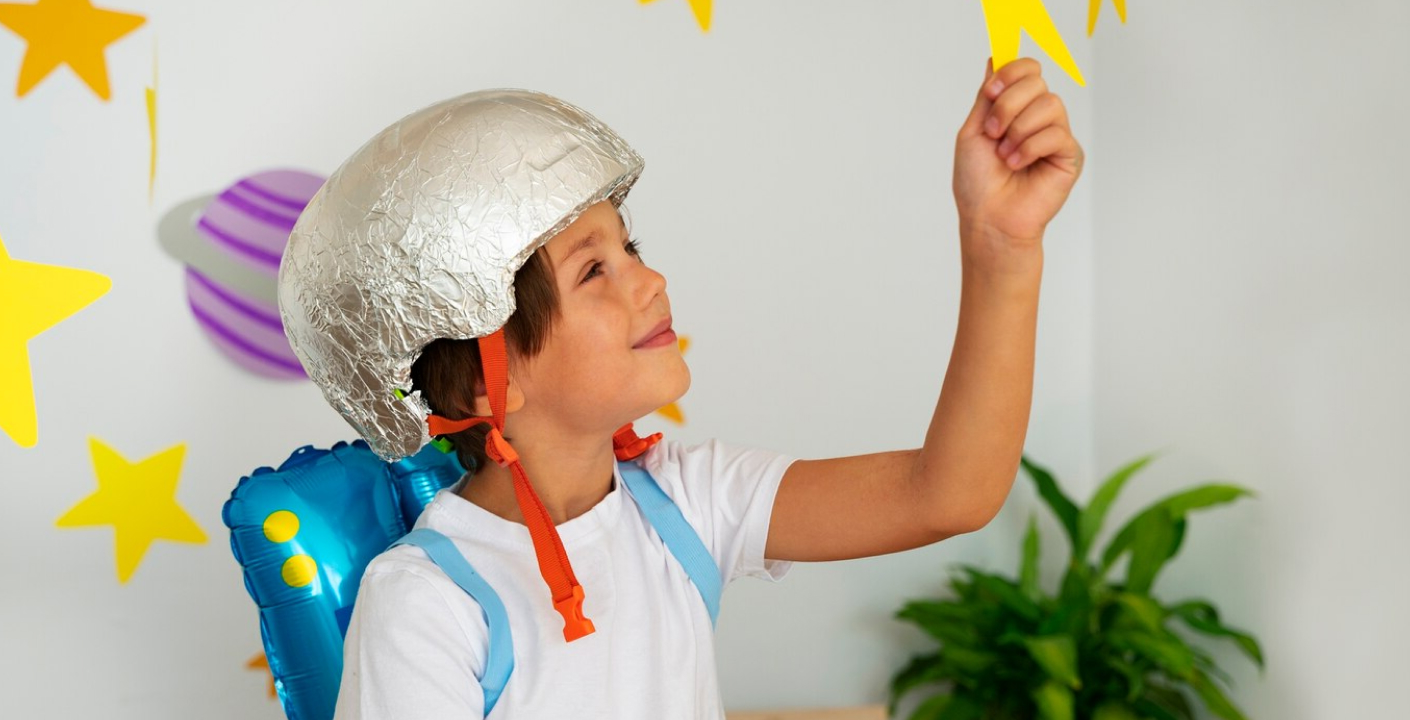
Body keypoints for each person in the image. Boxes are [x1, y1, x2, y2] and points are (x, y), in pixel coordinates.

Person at [278, 56, 1082, 719]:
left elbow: (948, 493)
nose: (652, 280)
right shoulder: (427, 602)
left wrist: (1001, 245)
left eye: (631, 249)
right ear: (491, 386)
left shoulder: (685, 504)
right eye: (594, 271)